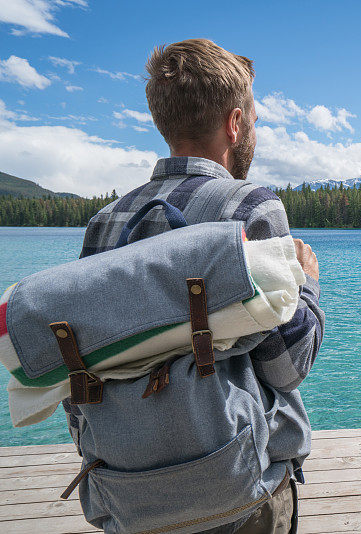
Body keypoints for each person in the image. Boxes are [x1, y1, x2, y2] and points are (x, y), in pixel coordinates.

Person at [66, 38, 324, 534]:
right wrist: (307, 285)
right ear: (233, 124)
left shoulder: (107, 223)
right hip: (237, 492)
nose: (254, 131)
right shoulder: (250, 209)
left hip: (131, 493)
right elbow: (287, 366)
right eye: (253, 120)